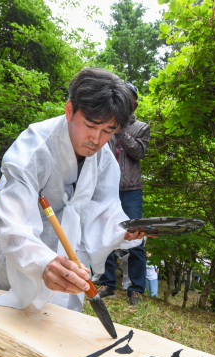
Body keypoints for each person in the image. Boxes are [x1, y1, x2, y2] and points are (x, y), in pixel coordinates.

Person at [0, 67, 146, 313]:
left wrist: (123, 232)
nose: (96, 139)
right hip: (17, 247)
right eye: (90, 126)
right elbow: (13, 221)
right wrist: (41, 262)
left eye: (108, 130)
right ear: (70, 110)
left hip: (65, 251)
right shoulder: (31, 150)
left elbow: (104, 209)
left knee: (56, 321)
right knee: (3, 311)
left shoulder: (104, 158)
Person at [97, 81, 150, 306]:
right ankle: (108, 283)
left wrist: (119, 131)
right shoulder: (103, 124)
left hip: (130, 190)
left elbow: (139, 152)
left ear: (135, 104)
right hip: (105, 189)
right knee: (105, 234)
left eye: (129, 99)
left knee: (135, 236)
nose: (124, 103)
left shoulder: (141, 127)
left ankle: (136, 289)